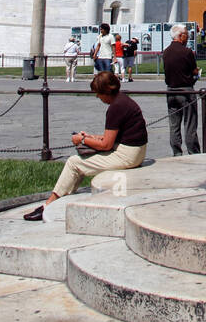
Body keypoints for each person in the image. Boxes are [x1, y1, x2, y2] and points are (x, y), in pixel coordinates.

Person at [23, 70, 147, 220]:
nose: (97, 96)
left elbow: (106, 145)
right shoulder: (123, 100)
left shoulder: (115, 108)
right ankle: (59, 200)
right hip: (134, 151)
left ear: (106, 91)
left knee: (74, 162)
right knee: (79, 161)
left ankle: (49, 205)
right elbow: (113, 137)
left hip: (127, 156)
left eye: (98, 93)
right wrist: (90, 137)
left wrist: (81, 140)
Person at [163, 24, 200, 155]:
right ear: (180, 36)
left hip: (171, 91)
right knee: (190, 124)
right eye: (186, 34)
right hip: (186, 91)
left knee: (174, 126)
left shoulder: (166, 51)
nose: (188, 36)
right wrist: (197, 72)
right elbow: (194, 70)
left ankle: (176, 153)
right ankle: (193, 152)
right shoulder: (186, 52)